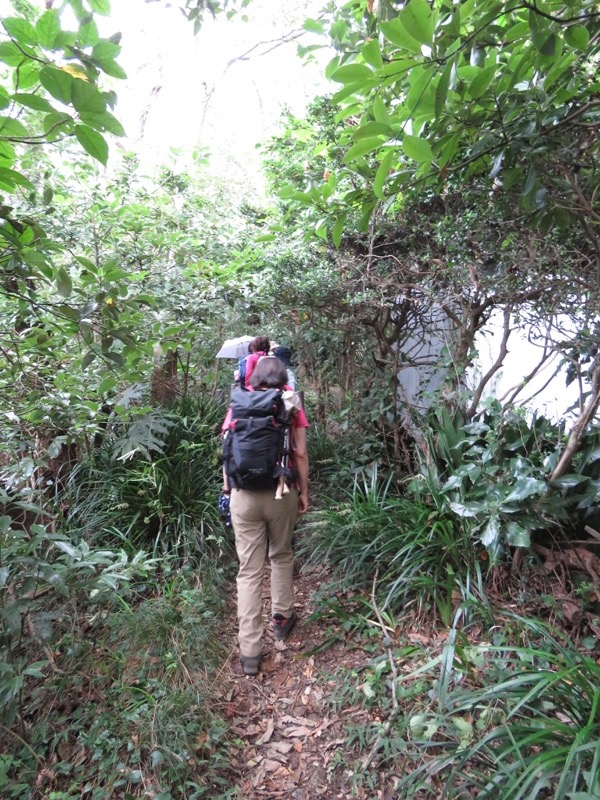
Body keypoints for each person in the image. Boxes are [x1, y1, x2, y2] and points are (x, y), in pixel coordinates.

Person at [222, 356, 309, 676]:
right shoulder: (290, 401)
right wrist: (304, 491)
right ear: (284, 375)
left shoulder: (238, 402)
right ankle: (283, 620)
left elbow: (227, 447)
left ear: (254, 376)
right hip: (281, 491)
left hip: (243, 495)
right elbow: (299, 451)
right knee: (282, 554)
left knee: (248, 572)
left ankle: (250, 652)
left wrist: (229, 489)